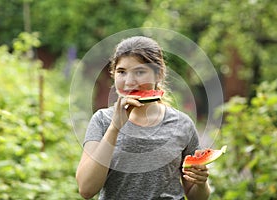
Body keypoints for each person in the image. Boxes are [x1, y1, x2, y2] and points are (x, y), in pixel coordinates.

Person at [76, 36, 211, 200]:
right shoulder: (102, 120)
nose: (129, 81)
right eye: (121, 72)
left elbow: (196, 196)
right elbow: (86, 189)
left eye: (140, 72)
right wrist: (114, 128)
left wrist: (201, 183)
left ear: (159, 74)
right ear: (113, 74)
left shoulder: (182, 124)